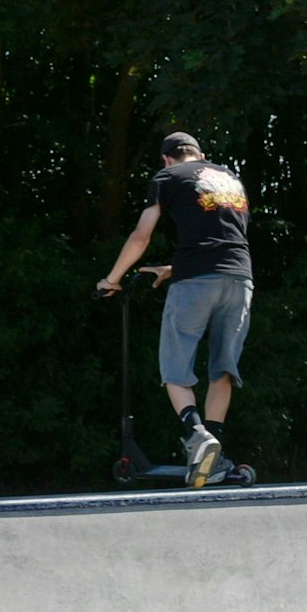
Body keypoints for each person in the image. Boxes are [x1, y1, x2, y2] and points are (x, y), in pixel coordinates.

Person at [97, 132, 254, 487]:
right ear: (200, 154)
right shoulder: (230, 178)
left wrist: (111, 279)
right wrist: (173, 267)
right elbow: (222, 237)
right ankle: (215, 458)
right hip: (240, 278)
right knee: (223, 369)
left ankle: (197, 434)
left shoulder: (167, 177)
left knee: (174, 366)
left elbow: (142, 236)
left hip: (195, 281)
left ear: (167, 158)